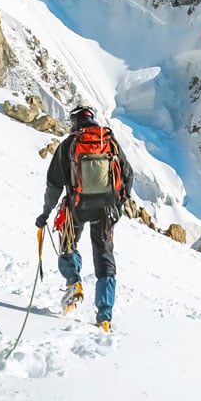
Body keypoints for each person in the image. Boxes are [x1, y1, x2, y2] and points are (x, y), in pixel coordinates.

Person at [35, 105, 132, 330]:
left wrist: (46, 213)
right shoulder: (109, 142)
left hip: (76, 207)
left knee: (68, 245)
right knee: (105, 260)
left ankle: (73, 281)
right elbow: (127, 175)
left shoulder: (70, 144)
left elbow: (54, 185)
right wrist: (118, 205)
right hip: (105, 210)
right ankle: (104, 317)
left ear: (75, 122)